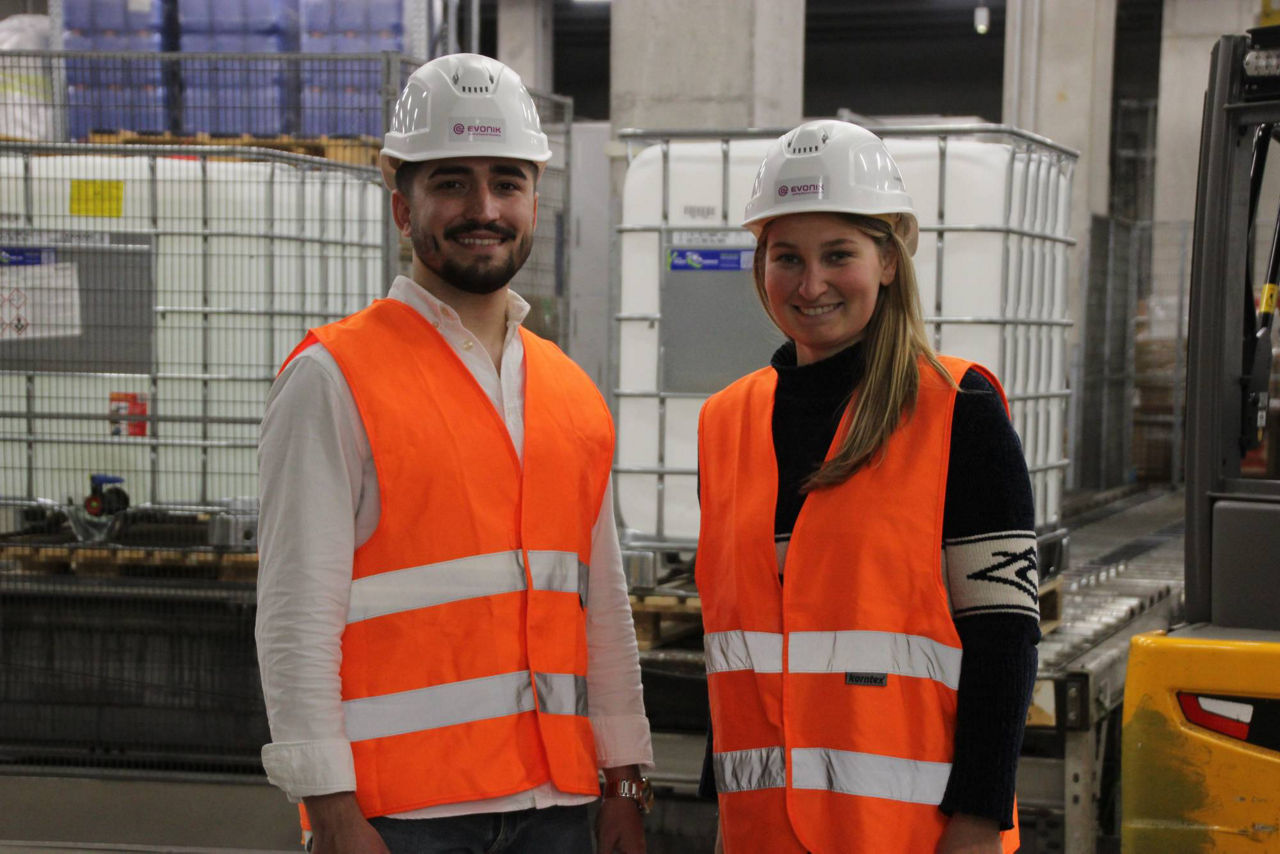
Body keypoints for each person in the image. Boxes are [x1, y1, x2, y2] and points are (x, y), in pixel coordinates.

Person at [255, 53, 652, 854]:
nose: (485, 207)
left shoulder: (571, 393)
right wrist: (329, 809)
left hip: (561, 805)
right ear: (403, 208)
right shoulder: (333, 378)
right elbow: (298, 615)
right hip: (401, 817)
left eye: (507, 181)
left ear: (535, 200)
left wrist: (626, 781)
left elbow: (601, 611)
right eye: (451, 183)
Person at [695, 120, 1039, 853]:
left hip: (912, 835)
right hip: (760, 832)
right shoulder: (725, 422)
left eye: (838, 255)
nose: (810, 284)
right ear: (760, 266)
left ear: (888, 260)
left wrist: (980, 821)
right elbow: (740, 644)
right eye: (786, 257)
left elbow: (1004, 640)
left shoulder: (958, 408)